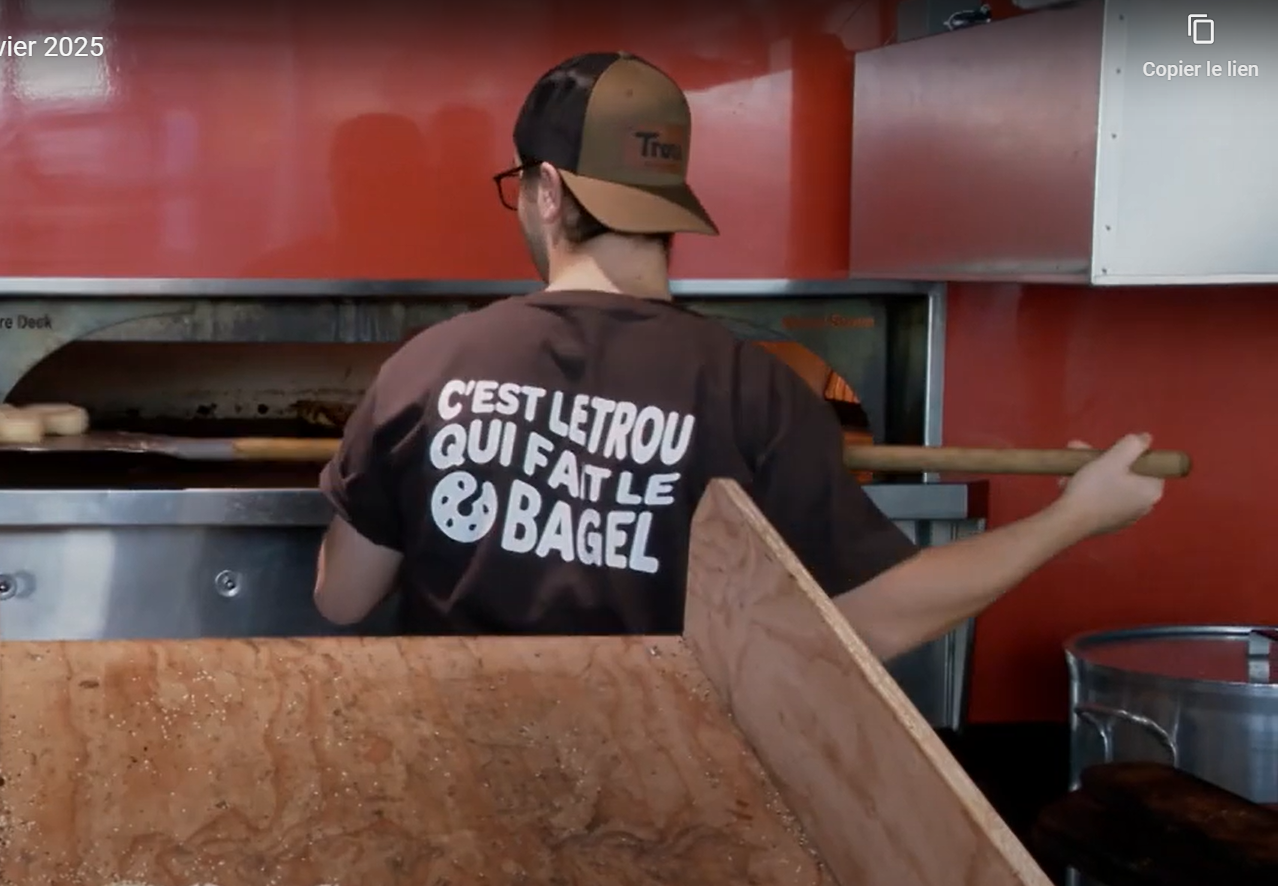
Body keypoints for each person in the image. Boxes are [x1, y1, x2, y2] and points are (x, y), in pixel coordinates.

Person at [311, 52, 1165, 661]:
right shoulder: (755, 390)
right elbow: (868, 623)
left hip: (453, 787)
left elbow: (341, 597)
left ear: (545, 191)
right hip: (668, 802)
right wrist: (1074, 517)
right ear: (664, 201)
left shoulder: (428, 368)